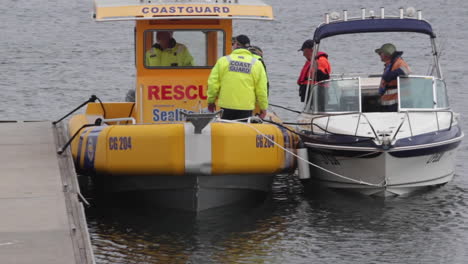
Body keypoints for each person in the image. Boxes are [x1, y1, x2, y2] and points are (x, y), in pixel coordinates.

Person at [207, 35, 268, 120]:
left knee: (226, 131)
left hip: (226, 106)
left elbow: (213, 84)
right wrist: (263, 108)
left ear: (236, 44)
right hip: (246, 107)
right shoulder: (257, 64)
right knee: (243, 131)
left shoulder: (223, 61)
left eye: (233, 44)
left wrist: (211, 101)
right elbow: (261, 89)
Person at [375, 43, 411, 112]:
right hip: (388, 104)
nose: (379, 55)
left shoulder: (399, 62)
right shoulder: (389, 65)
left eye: (380, 53)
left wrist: (390, 75)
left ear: (387, 54)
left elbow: (407, 70)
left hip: (396, 104)